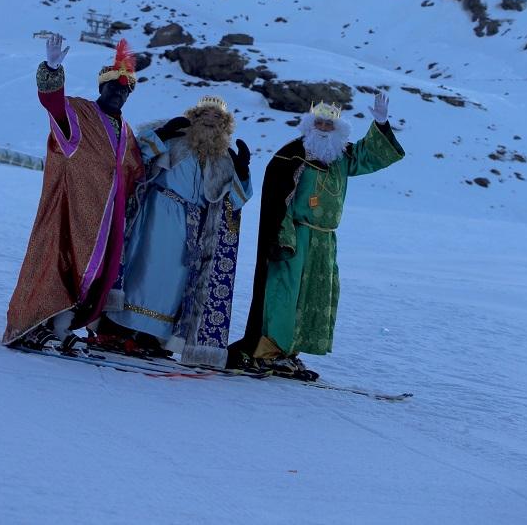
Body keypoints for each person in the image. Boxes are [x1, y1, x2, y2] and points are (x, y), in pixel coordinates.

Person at [227, 92, 405, 380]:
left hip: (324, 241)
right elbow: (278, 201)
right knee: (285, 295)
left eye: (329, 125)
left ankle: (290, 352)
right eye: (319, 124)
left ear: (338, 129)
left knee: (312, 298)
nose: (324, 129)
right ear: (309, 126)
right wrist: (281, 235)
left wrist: (382, 125)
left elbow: (371, 156)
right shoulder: (292, 155)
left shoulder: (341, 156)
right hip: (295, 236)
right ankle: (268, 351)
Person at [3, 34, 143, 350]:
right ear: (101, 87)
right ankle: (35, 326)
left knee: (88, 277)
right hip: (70, 211)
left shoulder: (127, 131)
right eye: (114, 87)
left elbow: (135, 171)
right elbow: (53, 104)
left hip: (103, 221)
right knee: (56, 265)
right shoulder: (80, 112)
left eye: (125, 90)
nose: (119, 94)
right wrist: (51, 70)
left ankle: (63, 329)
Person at [98, 96, 252, 368]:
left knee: (174, 282)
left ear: (225, 126)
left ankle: (152, 339)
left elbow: (237, 201)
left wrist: (243, 172)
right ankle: (118, 329)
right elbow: (132, 157)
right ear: (193, 116)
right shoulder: (174, 138)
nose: (209, 120)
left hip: (192, 229)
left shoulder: (224, 157)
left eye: (217, 118)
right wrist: (161, 135)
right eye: (204, 114)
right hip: (157, 213)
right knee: (144, 269)